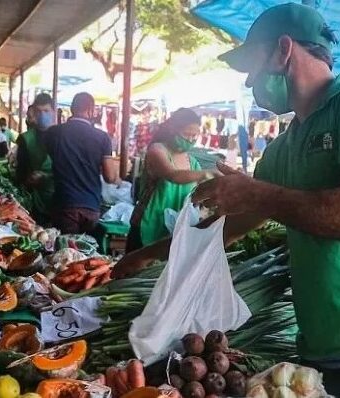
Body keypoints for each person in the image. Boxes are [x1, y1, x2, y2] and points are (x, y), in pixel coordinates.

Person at [112, 4, 340, 394]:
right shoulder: (284, 147)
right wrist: (151, 252)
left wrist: (256, 192)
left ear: (284, 49)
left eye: (252, 66)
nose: (251, 82)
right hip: (319, 344)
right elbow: (235, 223)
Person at [127, 108, 210, 252]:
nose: (190, 139)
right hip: (148, 225)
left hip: (174, 232)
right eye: (186, 134)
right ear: (173, 129)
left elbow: (197, 197)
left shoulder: (193, 163)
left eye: (194, 136)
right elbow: (173, 175)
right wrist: (206, 174)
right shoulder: (157, 150)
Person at [45, 92, 119, 234]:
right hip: (91, 206)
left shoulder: (54, 133)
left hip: (64, 203)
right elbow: (110, 177)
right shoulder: (102, 138)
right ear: (91, 110)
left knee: (66, 253)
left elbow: (48, 161)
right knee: (87, 253)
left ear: (72, 108)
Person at [16, 93, 55, 223]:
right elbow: (20, 172)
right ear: (33, 112)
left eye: (46, 111)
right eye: (39, 111)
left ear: (53, 112)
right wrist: (28, 179)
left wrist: (46, 177)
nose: (42, 114)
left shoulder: (63, 137)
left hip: (58, 199)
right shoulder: (25, 139)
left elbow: (69, 169)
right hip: (33, 201)